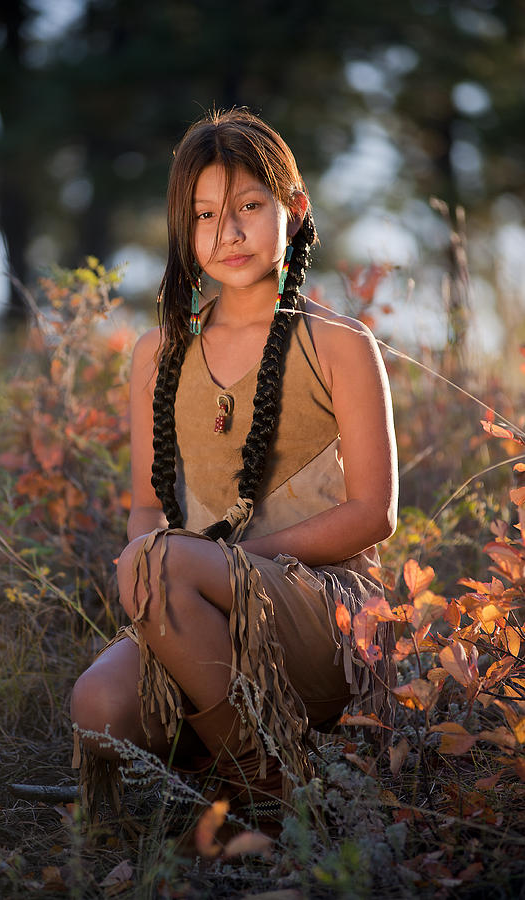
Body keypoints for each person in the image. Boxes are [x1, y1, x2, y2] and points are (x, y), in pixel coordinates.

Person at [71, 108, 398, 822]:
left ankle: (269, 789)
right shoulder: (156, 356)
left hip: (321, 613)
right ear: (184, 228)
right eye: (206, 214)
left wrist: (228, 565)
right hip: (194, 601)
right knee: (96, 706)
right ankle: (246, 752)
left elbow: (375, 514)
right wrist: (161, 575)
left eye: (251, 206)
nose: (229, 232)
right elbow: (146, 509)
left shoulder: (339, 341)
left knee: (159, 564)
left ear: (296, 210)